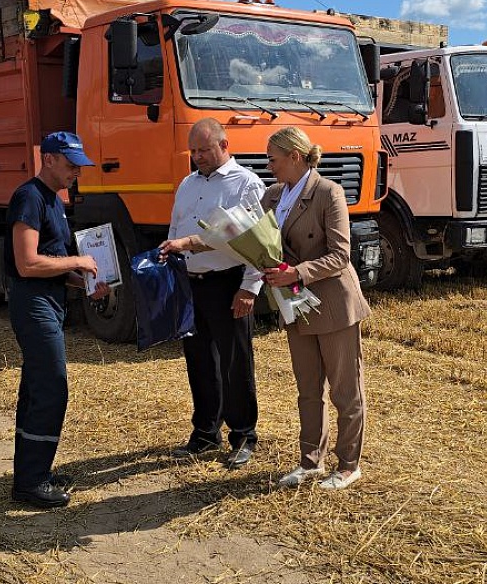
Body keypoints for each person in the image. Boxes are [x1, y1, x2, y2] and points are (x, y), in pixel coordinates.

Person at [261, 126, 371, 490]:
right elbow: (250, 232)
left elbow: (341, 255)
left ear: (294, 156)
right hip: (295, 304)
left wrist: (297, 272)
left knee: (344, 390)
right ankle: (310, 462)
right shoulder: (274, 194)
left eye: (273, 159)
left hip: (332, 303)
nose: (268, 165)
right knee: (307, 388)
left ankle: (348, 465)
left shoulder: (328, 192)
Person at [4, 131, 109, 508]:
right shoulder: (29, 197)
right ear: (48, 159)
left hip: (49, 299)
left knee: (38, 385)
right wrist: (78, 261)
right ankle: (29, 483)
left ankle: (35, 472)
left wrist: (84, 283)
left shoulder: (53, 199)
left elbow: (50, 262)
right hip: (32, 303)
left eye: (79, 166)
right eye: (70, 164)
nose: (76, 172)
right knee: (51, 385)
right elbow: (27, 263)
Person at [159, 117, 265, 469]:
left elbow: (260, 240)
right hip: (192, 283)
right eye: (194, 150)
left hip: (228, 282)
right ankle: (205, 433)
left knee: (236, 361)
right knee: (199, 361)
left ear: (224, 145)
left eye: (204, 149)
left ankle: (243, 435)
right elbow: (176, 227)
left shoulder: (246, 184)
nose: (198, 156)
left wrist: (250, 287)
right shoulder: (187, 184)